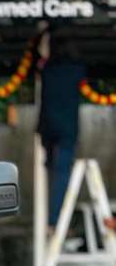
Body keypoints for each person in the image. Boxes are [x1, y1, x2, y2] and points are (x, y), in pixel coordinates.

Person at [37, 36, 86, 230]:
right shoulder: (77, 69)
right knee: (63, 173)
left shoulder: (47, 70)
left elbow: (38, 61)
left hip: (48, 126)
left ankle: (53, 219)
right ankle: (55, 220)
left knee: (50, 169)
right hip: (68, 128)